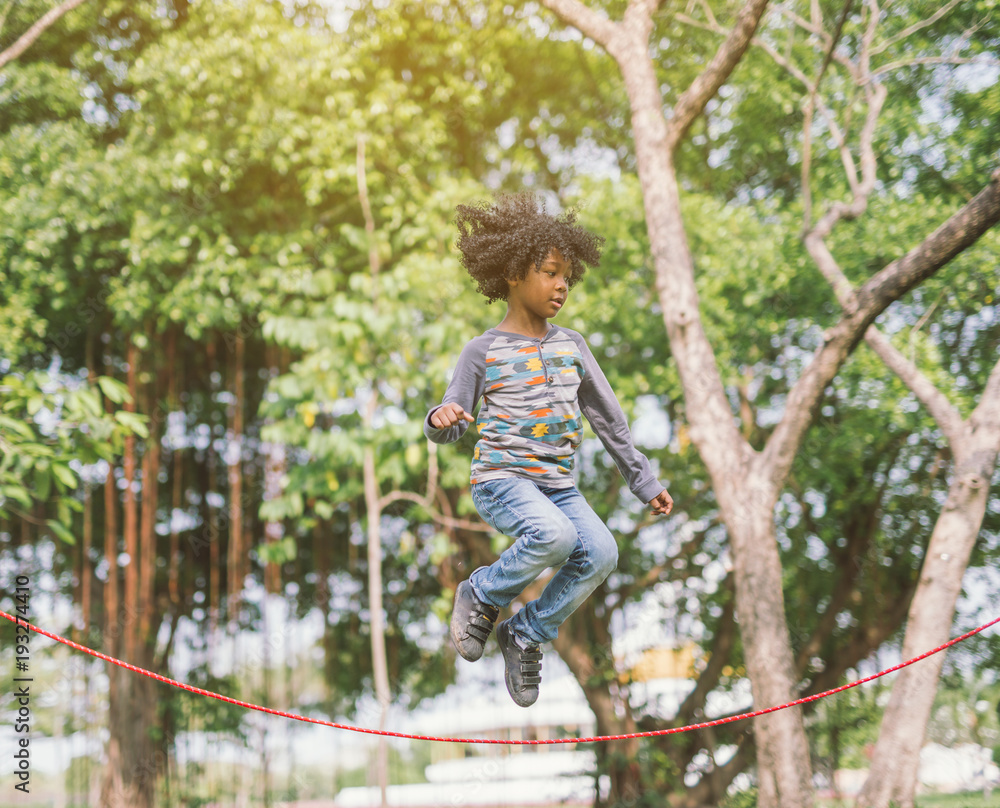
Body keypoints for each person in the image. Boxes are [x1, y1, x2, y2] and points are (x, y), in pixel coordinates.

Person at [424, 192, 673, 708]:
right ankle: (482, 592)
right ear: (514, 273)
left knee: (601, 551)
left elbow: (608, 419)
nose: (561, 285)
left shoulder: (572, 346)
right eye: (550, 272)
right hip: (501, 481)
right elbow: (451, 418)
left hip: (558, 487)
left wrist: (642, 480)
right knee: (554, 537)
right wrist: (440, 420)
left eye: (567, 276)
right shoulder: (483, 351)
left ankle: (526, 632)